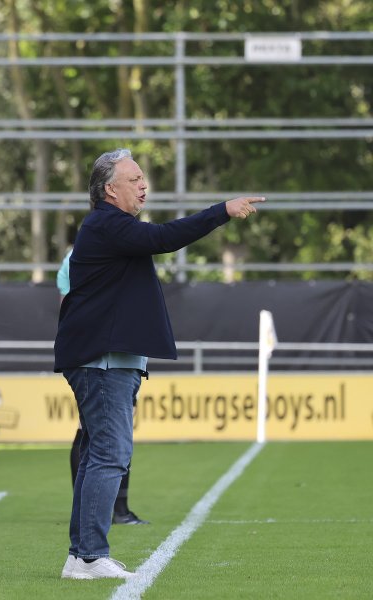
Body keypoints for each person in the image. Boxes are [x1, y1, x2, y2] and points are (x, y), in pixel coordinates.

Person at [54, 148, 265, 580]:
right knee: (110, 454)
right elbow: (165, 238)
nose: (143, 185)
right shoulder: (107, 224)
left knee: (99, 454)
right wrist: (221, 210)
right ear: (110, 189)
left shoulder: (110, 227)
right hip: (103, 363)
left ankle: (81, 556)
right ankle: (89, 556)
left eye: (142, 178)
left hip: (109, 361)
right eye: (134, 179)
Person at [56, 248, 149, 525]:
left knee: (95, 436)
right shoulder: (105, 252)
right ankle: (110, 514)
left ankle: (95, 513)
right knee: (108, 441)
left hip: (99, 357)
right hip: (105, 360)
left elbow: (66, 308)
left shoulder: (77, 256)